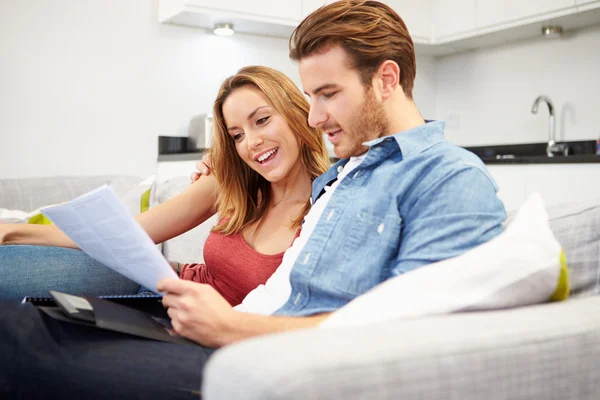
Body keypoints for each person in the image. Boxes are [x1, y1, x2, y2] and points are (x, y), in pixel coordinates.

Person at [0, 1, 507, 398]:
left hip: (262, 357)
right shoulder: (347, 174)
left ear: (386, 79)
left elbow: (416, 328)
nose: (315, 116)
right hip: (215, 327)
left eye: (327, 94)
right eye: (311, 98)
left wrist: (231, 326)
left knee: (15, 336)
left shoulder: (448, 176)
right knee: (29, 318)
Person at [0, 65, 330, 303]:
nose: (252, 142)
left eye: (262, 120)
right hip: (156, 283)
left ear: (299, 112)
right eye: (237, 136)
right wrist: (12, 232)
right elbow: (126, 234)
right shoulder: (229, 185)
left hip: (199, 325)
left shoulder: (331, 206)